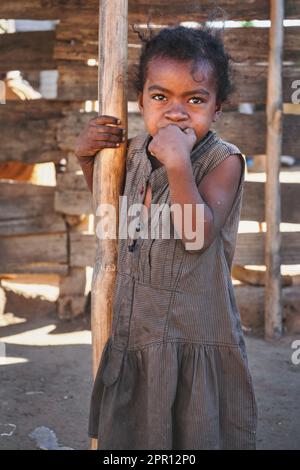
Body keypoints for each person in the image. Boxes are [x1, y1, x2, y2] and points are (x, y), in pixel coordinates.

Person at [75, 25, 257, 450]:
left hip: (189, 332)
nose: (176, 113)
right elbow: (115, 216)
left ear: (217, 109)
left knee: (191, 436)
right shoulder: (136, 152)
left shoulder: (223, 161)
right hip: (138, 328)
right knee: (139, 439)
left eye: (194, 100)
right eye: (160, 98)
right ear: (140, 102)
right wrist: (87, 159)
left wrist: (177, 164)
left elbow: (196, 237)